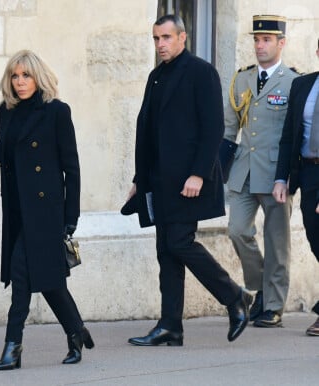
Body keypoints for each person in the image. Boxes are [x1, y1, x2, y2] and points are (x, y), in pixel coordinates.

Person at [126, 14, 252, 347]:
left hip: (188, 180)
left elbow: (213, 128)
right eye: (156, 38)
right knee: (166, 250)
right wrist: (141, 179)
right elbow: (148, 132)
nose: (160, 44)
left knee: (179, 243)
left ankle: (234, 295)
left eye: (166, 37)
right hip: (159, 180)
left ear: (183, 37)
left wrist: (199, 173)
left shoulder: (200, 72)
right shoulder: (156, 76)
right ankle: (170, 325)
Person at [0, 50, 94, 369]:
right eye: (15, 76)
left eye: (26, 75)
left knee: (22, 277)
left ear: (38, 77)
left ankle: (12, 347)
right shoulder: (8, 111)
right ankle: (76, 331)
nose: (19, 82)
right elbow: (0, 150)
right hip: (18, 210)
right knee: (50, 281)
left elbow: (71, 170)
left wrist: (70, 219)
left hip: (46, 212)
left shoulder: (57, 112)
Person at [224, 15, 299, 328]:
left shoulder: (294, 81)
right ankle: (260, 287)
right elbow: (229, 130)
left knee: (277, 240)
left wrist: (291, 175)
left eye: (267, 40)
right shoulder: (241, 78)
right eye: (256, 40)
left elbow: (297, 132)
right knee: (237, 230)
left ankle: (273, 305)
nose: (260, 45)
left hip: (277, 174)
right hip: (244, 170)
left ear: (281, 43)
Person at [272, 38, 319, 337]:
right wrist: (281, 177)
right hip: (309, 172)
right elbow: (288, 136)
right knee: (315, 238)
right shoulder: (302, 86)